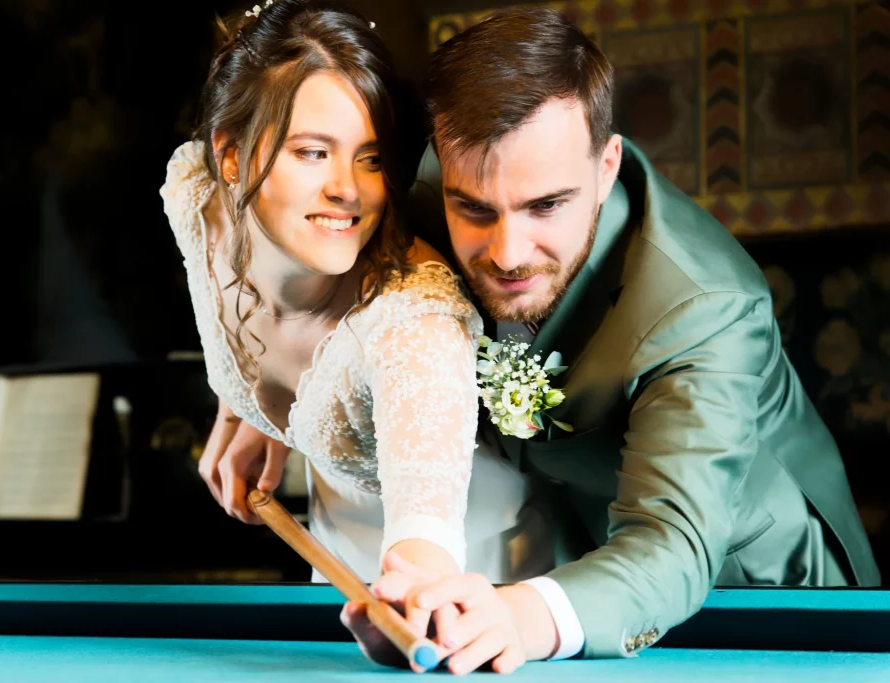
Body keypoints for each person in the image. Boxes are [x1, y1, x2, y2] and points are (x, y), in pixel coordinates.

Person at [340, 6, 882, 675]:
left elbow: (672, 539)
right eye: (475, 209)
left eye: (546, 206)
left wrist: (520, 615)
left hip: (765, 599)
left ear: (606, 167)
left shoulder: (705, 304)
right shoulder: (432, 187)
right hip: (580, 570)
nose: (507, 252)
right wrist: (255, 396)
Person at [158, 0, 554, 645]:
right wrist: (243, 409)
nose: (348, 188)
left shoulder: (414, 324)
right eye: (314, 152)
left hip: (475, 583)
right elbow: (240, 313)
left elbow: (426, 535)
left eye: (369, 159)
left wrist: (420, 594)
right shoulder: (199, 197)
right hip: (338, 555)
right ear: (230, 159)